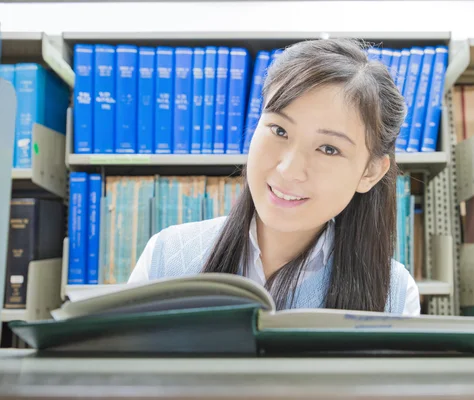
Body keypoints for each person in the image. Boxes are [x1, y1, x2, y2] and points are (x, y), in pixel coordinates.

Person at [128, 38, 420, 315]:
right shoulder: (167, 257)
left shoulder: (393, 294)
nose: (288, 169)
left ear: (369, 172)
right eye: (279, 130)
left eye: (329, 149)